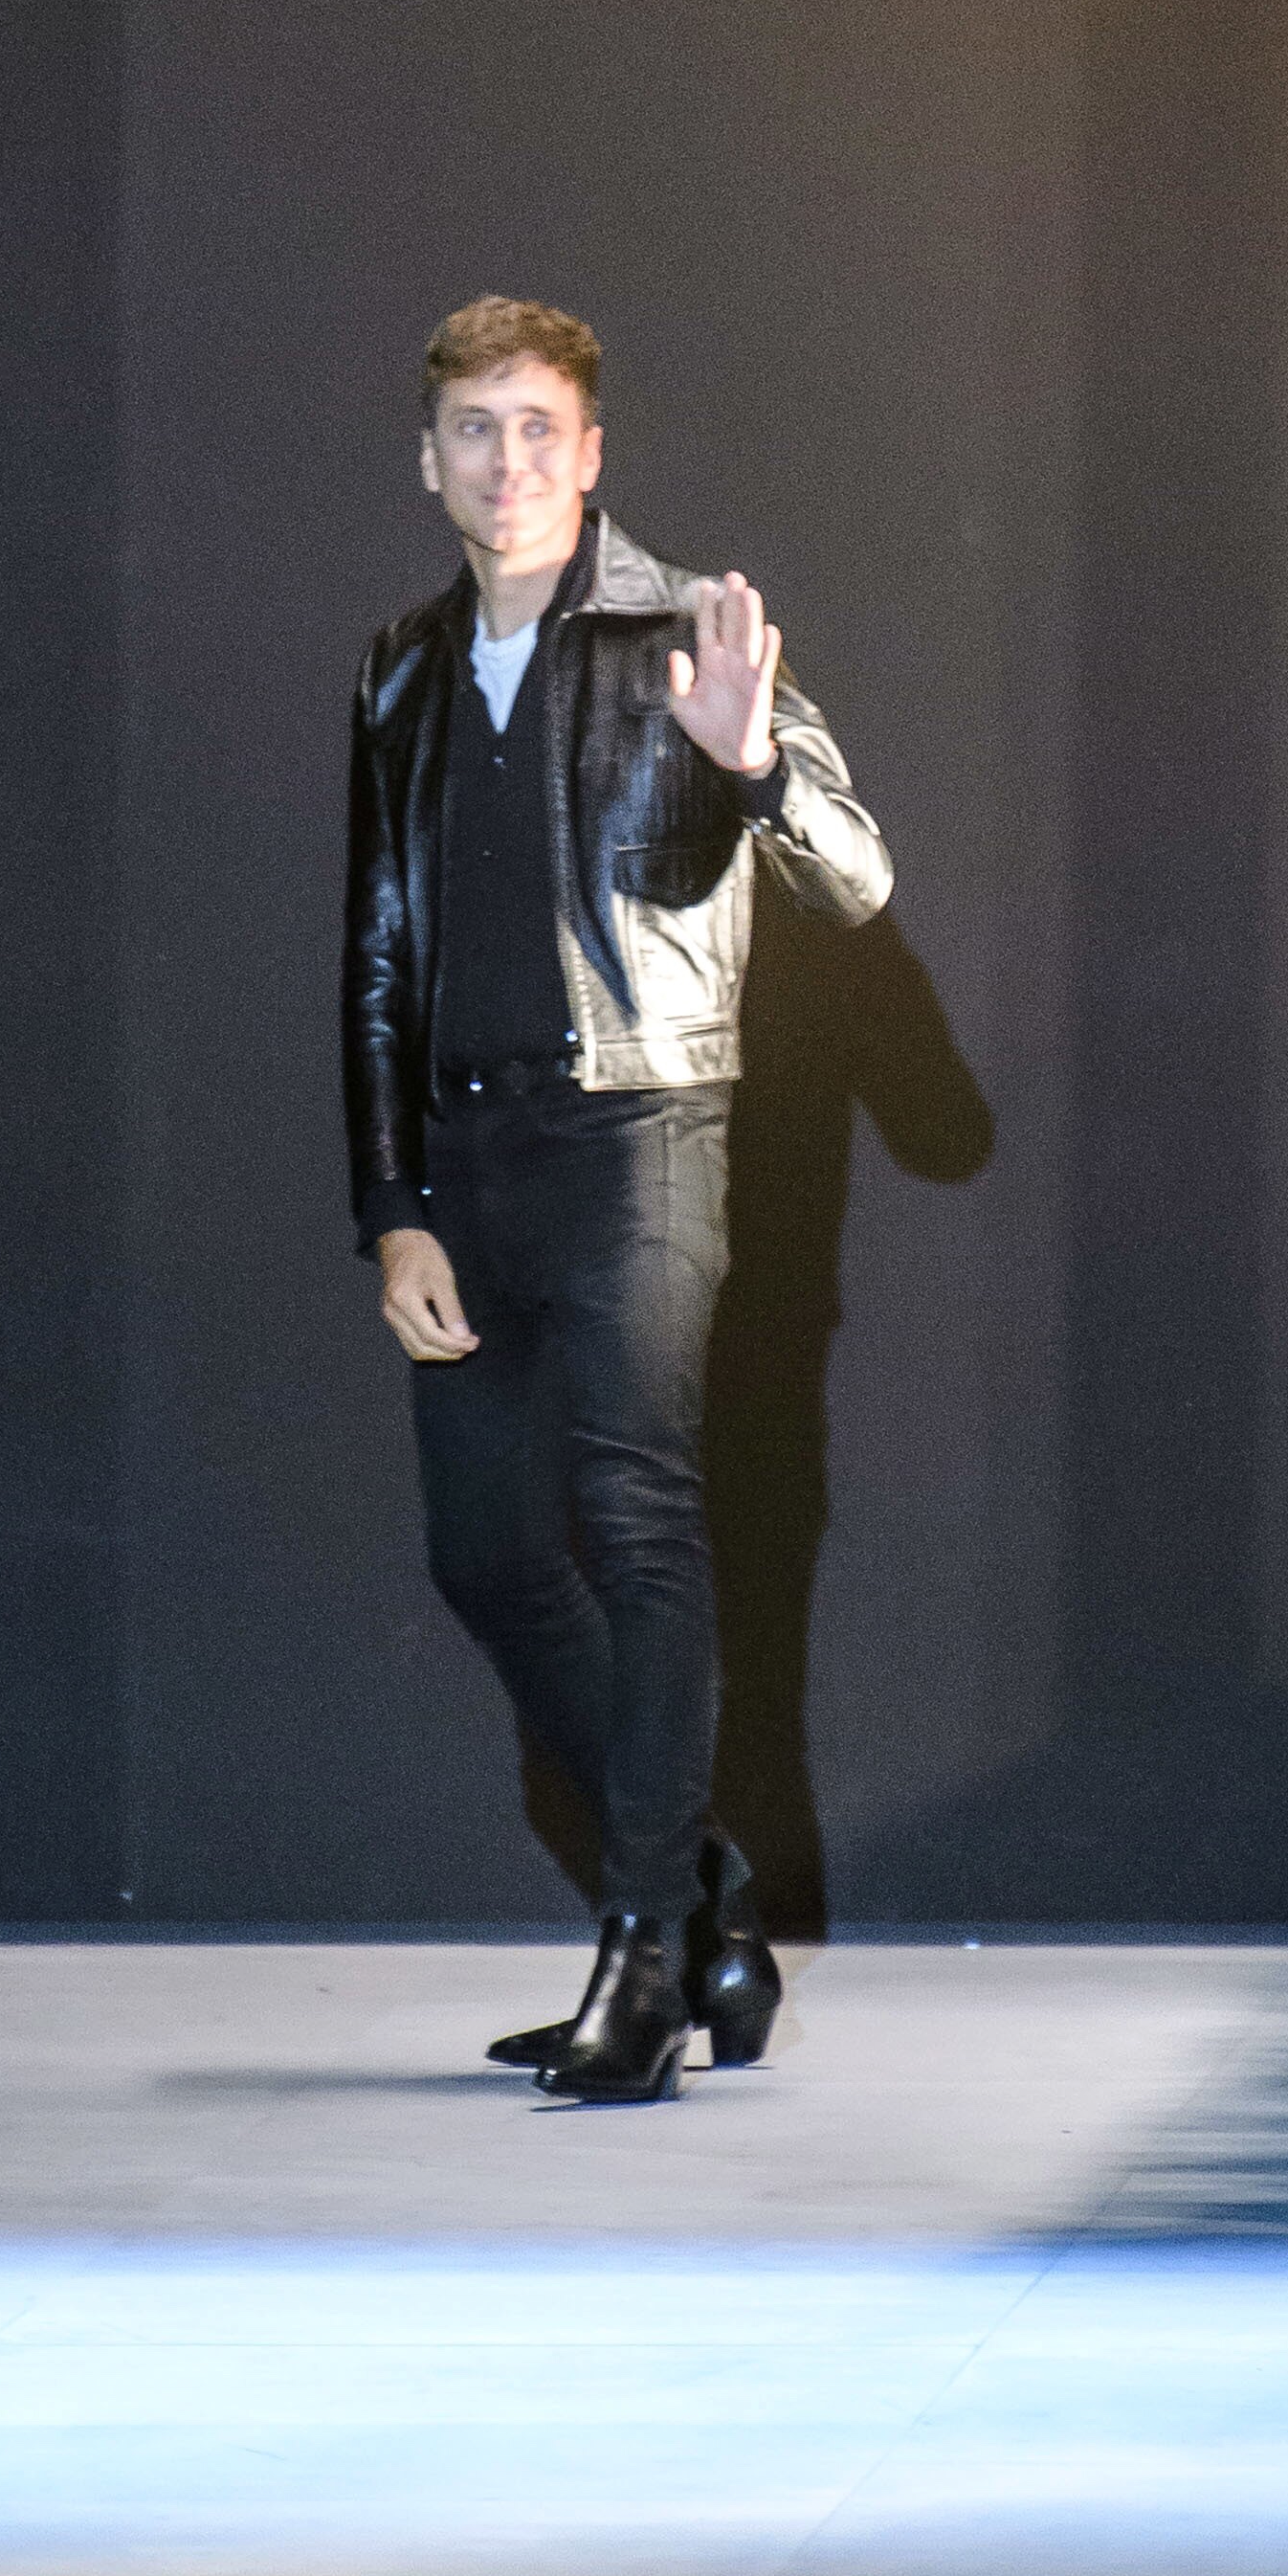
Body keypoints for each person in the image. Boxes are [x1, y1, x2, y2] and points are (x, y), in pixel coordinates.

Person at [343, 294, 893, 2100]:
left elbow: (858, 878)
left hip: (641, 1132)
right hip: (470, 1161)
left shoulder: (686, 634)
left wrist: (750, 763)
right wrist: (392, 1205)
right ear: (431, 462)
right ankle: (709, 1908)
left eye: (538, 428)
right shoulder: (402, 668)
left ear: (591, 454)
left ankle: (643, 1954)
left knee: (639, 1521)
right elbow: (373, 955)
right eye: (474, 429)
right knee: (487, 1554)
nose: (506, 461)